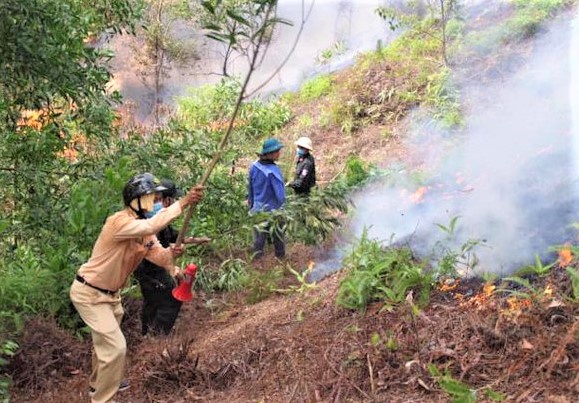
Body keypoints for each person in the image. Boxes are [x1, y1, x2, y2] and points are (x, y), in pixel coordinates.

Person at [69, 173, 204, 403]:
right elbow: (154, 223)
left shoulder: (144, 233)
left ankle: (96, 384)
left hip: (111, 296)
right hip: (89, 292)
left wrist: (171, 255)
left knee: (103, 344)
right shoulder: (118, 222)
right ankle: (102, 399)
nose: (155, 202)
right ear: (136, 199)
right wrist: (183, 203)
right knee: (116, 349)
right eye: (152, 197)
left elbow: (159, 256)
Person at [134, 179, 210, 337]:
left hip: (156, 268)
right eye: (156, 200)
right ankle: (156, 338)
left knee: (152, 301)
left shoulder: (163, 222)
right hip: (150, 270)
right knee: (172, 299)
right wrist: (170, 263)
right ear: (167, 200)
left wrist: (198, 240)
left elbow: (176, 237)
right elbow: (153, 249)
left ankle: (146, 334)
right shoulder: (146, 223)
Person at [247, 138, 286, 259]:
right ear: (270, 154)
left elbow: (250, 188)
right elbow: (280, 196)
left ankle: (256, 264)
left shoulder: (254, 166)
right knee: (278, 237)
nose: (279, 154)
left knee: (259, 239)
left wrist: (251, 204)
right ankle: (281, 260)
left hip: (258, 209)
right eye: (277, 151)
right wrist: (285, 208)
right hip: (273, 211)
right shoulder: (273, 172)